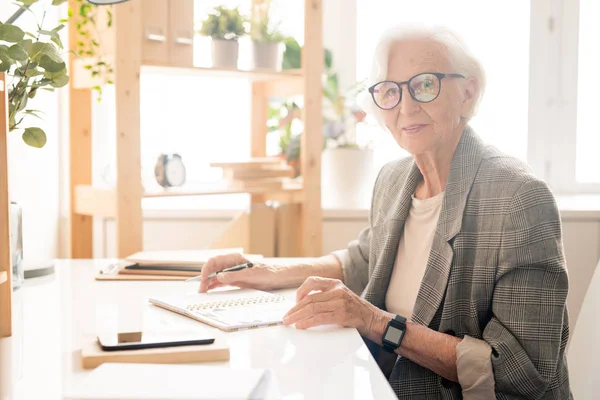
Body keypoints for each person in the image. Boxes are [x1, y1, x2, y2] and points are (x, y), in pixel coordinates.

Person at [198, 26, 572, 399]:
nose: (406, 107)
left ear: (468, 92)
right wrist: (268, 271)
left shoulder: (520, 199)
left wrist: (375, 321)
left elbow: (520, 371)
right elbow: (363, 259)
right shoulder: (395, 179)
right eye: (391, 91)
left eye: (425, 85)